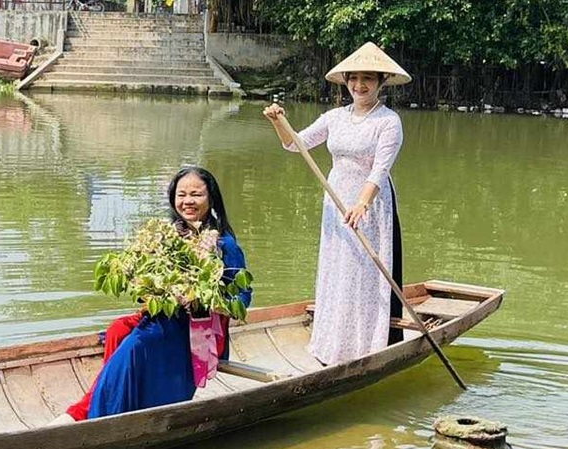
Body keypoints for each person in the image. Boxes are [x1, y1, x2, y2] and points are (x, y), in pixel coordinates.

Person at [57, 166, 254, 422]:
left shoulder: (223, 244)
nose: (188, 201)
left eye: (196, 194)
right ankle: (109, 408)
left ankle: (99, 415)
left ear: (211, 199)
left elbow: (243, 299)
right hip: (166, 317)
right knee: (117, 329)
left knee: (137, 345)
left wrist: (204, 301)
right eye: (181, 194)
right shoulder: (166, 238)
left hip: (199, 328)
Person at [262, 41, 409, 366]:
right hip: (335, 202)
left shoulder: (388, 121)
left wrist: (362, 204)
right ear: (346, 81)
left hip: (369, 206)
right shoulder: (335, 117)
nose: (360, 85)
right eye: (353, 78)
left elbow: (380, 169)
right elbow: (295, 145)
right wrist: (278, 120)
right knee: (338, 270)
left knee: (362, 274)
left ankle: (364, 346)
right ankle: (333, 343)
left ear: (381, 82)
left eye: (368, 79)